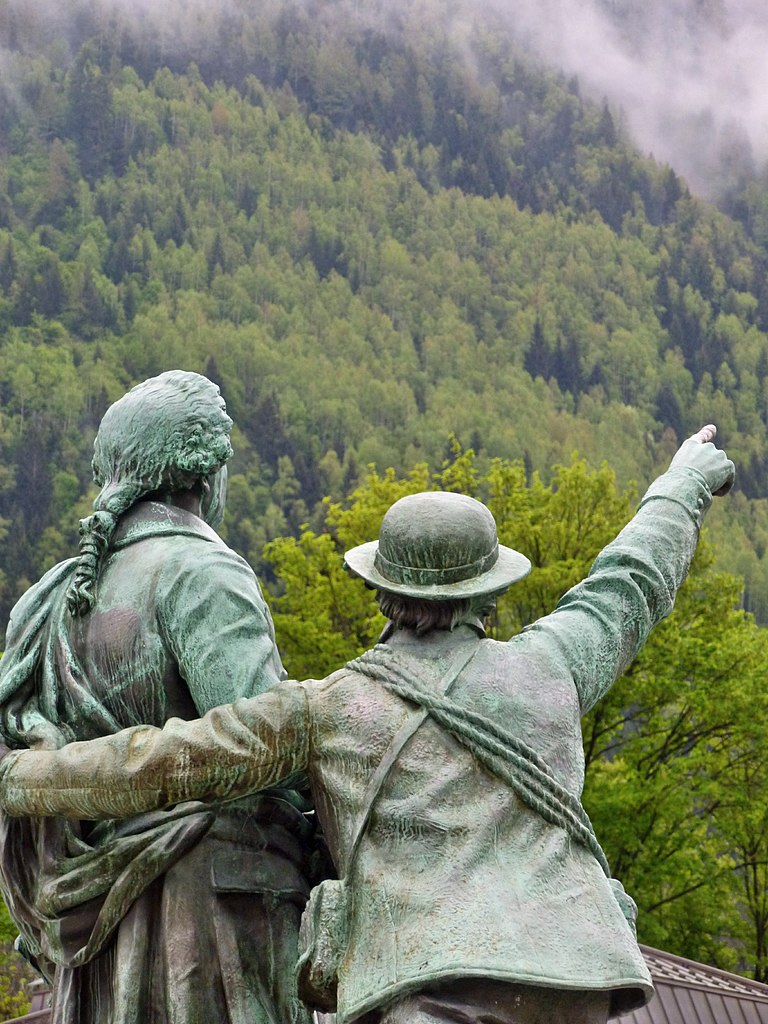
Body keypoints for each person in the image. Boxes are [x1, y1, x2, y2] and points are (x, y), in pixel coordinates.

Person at [0, 425, 735, 1024]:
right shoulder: (555, 664)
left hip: (430, 987)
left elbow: (163, 762)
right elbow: (633, 579)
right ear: (488, 590)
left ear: (381, 590)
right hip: (577, 978)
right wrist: (683, 484)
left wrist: (22, 777)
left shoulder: (324, 710)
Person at [0, 371, 315, 1024]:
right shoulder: (202, 573)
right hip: (209, 918)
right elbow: (269, 748)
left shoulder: (44, 602)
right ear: (206, 475)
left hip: (89, 931)